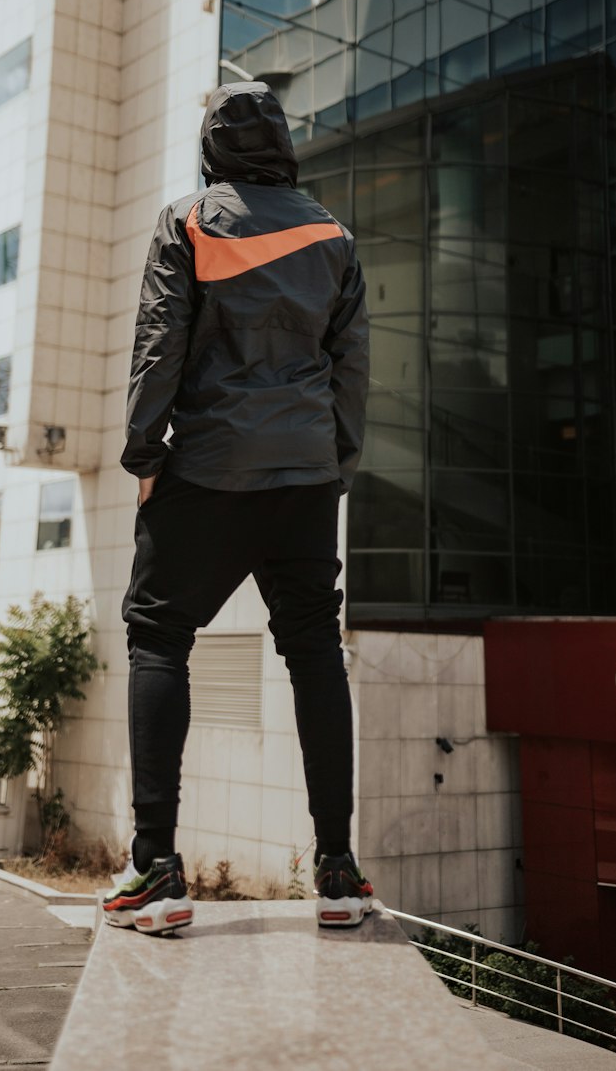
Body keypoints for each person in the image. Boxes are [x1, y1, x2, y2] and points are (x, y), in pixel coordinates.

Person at [102, 81, 372, 935]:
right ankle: (338, 871)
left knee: (158, 635)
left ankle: (157, 870)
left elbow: (161, 339)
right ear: (282, 142)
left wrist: (147, 453)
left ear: (213, 143)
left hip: (210, 468)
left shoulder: (188, 220)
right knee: (312, 650)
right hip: (304, 475)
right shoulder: (333, 235)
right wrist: (336, 464)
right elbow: (352, 364)